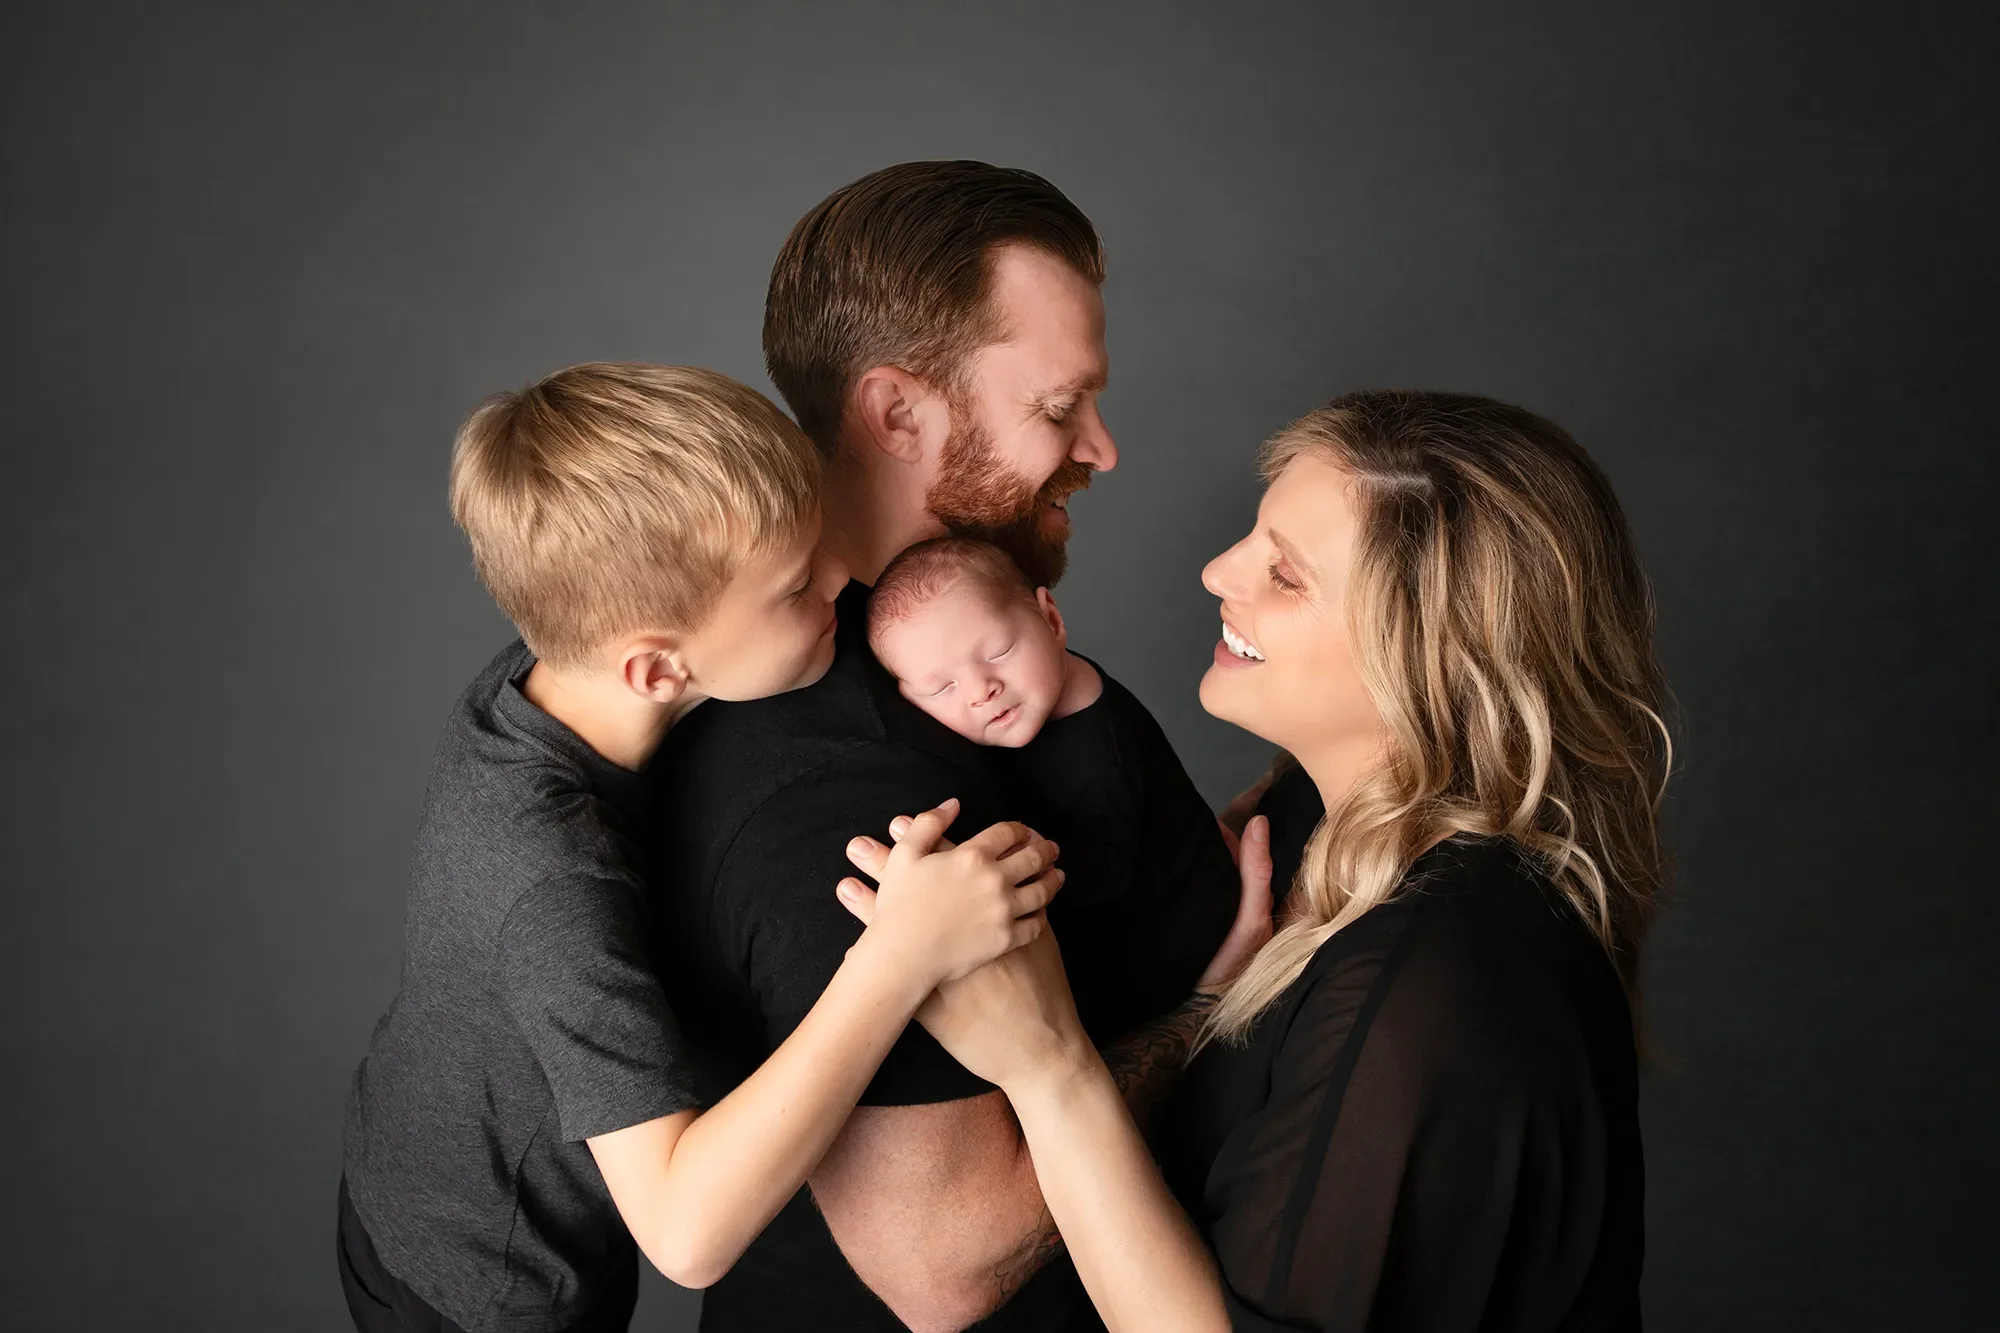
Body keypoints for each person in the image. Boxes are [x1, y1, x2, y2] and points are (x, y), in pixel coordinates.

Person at [842, 390, 1670, 1331]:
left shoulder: (1436, 981)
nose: (1215, 571)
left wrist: (1049, 1067)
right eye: (1251, 534)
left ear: (1431, 657)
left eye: (1285, 575)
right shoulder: (1310, 824)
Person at [642, 161, 1251, 1332]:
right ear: (899, 413)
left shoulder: (933, 666)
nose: (1102, 449)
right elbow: (944, 1262)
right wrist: (1213, 1001)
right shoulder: (851, 775)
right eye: (1056, 407)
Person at [337, 364, 1065, 1333]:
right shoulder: (551, 882)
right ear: (655, 665)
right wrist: (896, 956)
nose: (839, 581)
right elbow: (684, 1233)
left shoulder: (564, 661)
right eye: (796, 584)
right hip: (483, 1284)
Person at [866, 535, 1240, 1039]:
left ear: (1051, 620)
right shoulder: (1034, 691)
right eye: (941, 688)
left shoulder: (1099, 750)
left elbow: (1103, 878)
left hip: (1175, 938)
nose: (981, 690)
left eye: (998, 652)